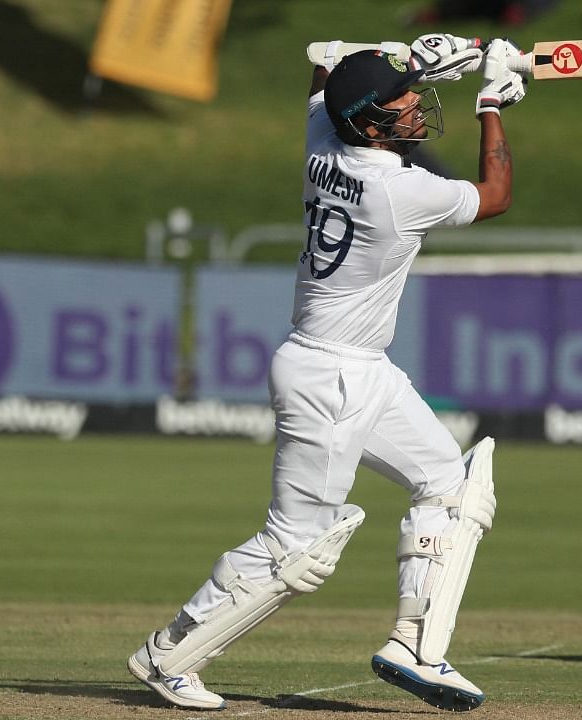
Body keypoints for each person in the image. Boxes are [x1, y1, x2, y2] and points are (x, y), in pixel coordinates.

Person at [126, 34, 528, 712]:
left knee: (451, 484)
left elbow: (322, 69)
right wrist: (491, 101)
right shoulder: (395, 189)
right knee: (299, 548)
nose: (416, 112)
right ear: (369, 124)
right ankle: (171, 653)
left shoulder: (323, 138)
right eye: (402, 105)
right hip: (329, 379)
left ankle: (417, 647)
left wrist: (402, 57)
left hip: (360, 368)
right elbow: (494, 195)